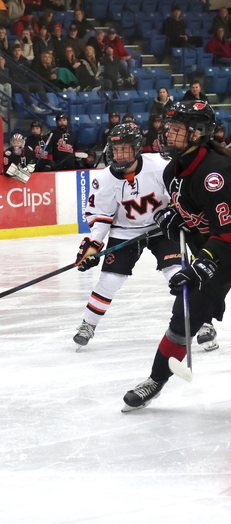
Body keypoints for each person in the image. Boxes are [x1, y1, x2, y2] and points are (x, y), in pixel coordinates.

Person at [122, 101, 231, 411]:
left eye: (177, 129)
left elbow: (226, 234)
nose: (168, 134)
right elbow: (191, 210)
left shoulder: (215, 175)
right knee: (182, 320)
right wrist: (174, 216)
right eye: (168, 127)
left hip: (223, 248)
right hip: (214, 251)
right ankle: (156, 379)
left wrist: (203, 264)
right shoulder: (173, 170)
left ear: (198, 133)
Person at [72, 123, 178, 347]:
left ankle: (202, 321)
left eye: (124, 149)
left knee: (177, 274)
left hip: (162, 229)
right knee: (109, 280)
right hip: (125, 232)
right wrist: (92, 247)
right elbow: (101, 218)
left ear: (137, 148)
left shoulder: (160, 165)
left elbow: (180, 193)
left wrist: (174, 213)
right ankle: (88, 324)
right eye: (115, 149)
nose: (119, 154)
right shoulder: (105, 179)